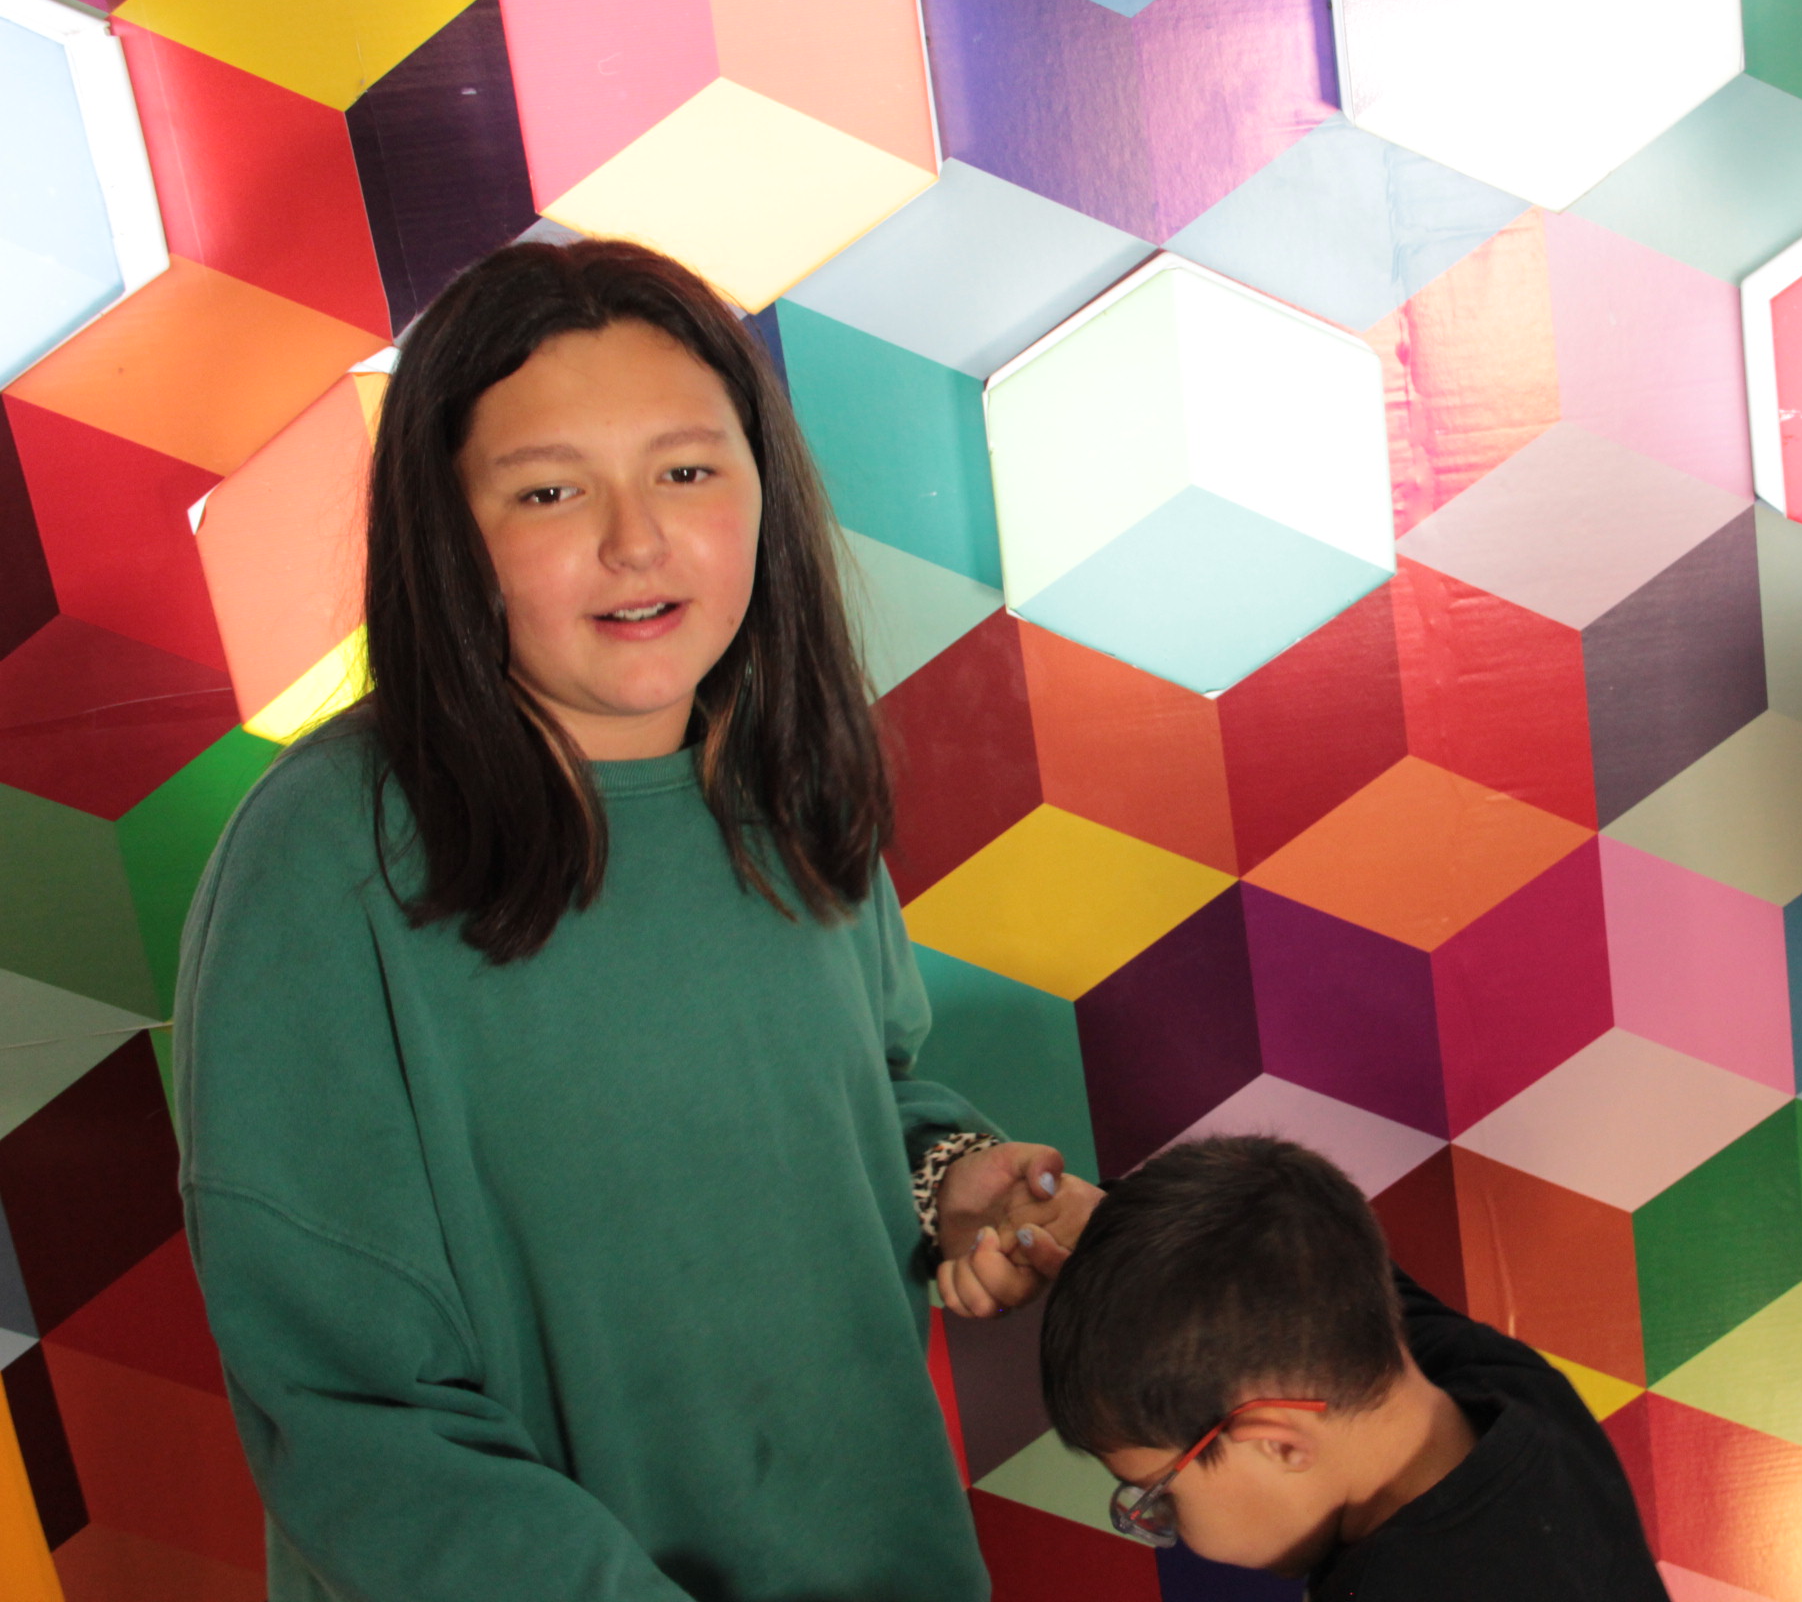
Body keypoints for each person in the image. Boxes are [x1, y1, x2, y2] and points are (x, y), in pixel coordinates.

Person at [175, 239, 1070, 1601]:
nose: (636, 541)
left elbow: (853, 1098)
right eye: (549, 491)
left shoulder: (791, 778)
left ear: (765, 487)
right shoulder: (328, 857)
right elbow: (348, 1404)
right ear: (447, 531)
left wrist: (951, 1177)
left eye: (687, 471)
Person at [1037, 1135, 1669, 1601]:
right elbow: (1287, 1260)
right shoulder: (1507, 1382)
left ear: (1279, 1443)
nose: (1164, 1524)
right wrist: (1095, 1228)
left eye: (1160, 1497)